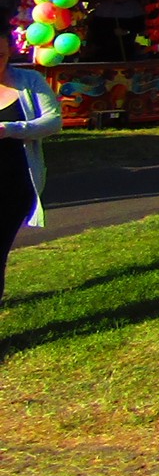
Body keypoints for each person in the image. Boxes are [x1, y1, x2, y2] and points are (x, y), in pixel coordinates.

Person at [0, 45, 61, 302]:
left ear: (9, 52)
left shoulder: (28, 81)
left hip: (13, 183)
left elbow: (53, 121)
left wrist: (11, 128)